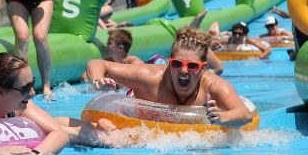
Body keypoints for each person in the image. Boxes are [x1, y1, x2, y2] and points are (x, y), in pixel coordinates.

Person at [85, 27, 254, 127]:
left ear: (203, 68)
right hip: (139, 112)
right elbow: (98, 63)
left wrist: (221, 117)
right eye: (177, 64)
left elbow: (245, 114)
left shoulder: (212, 84)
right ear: (169, 63)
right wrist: (98, 79)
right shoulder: (150, 77)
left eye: (193, 66)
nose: (184, 71)